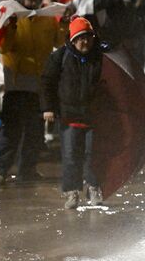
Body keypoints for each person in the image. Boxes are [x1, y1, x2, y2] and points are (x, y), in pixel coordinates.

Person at [0, 0, 68, 188]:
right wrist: (11, 27)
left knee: (35, 132)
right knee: (11, 131)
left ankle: (27, 170)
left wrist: (63, 24)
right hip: (16, 84)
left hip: (40, 84)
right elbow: (4, 48)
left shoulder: (47, 18)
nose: (31, 3)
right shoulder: (12, 17)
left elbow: (59, 41)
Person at [41, 17, 105, 208]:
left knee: (93, 154)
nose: (84, 42)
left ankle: (94, 187)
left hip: (93, 115)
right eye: (80, 38)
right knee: (70, 156)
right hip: (69, 115)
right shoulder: (60, 56)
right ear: (73, 39)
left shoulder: (101, 56)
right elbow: (47, 81)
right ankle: (72, 192)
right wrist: (48, 108)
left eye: (88, 37)